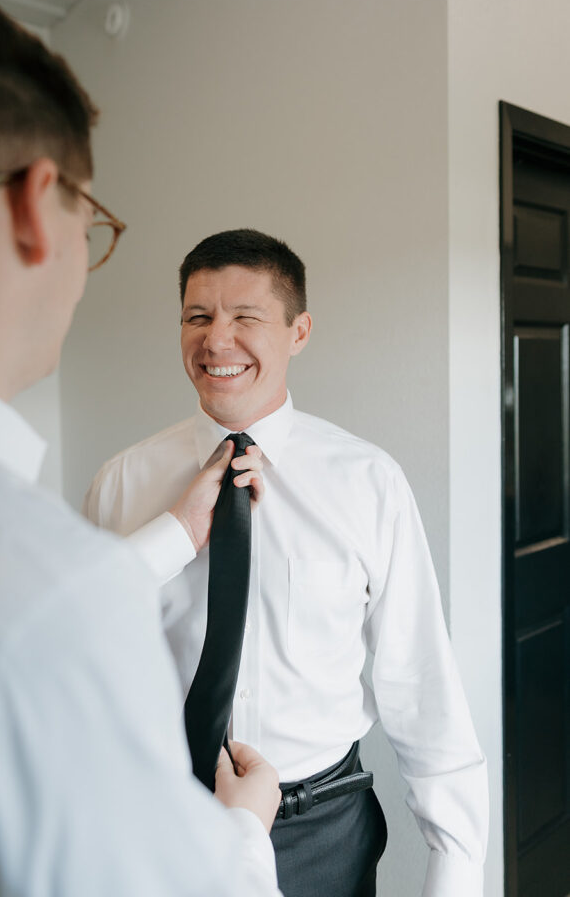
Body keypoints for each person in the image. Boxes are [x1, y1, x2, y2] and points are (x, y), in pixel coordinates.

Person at [0, 0, 284, 896]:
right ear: (34, 204)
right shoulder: (49, 596)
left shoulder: (56, 580)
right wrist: (240, 837)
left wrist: (169, 541)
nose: (215, 340)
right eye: (89, 221)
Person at [85, 228, 490, 897]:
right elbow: (76, 655)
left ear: (298, 332)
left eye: (245, 317)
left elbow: (421, 691)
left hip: (321, 829)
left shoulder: (368, 483)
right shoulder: (121, 483)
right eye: (197, 317)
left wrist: (454, 876)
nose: (215, 340)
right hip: (157, 819)